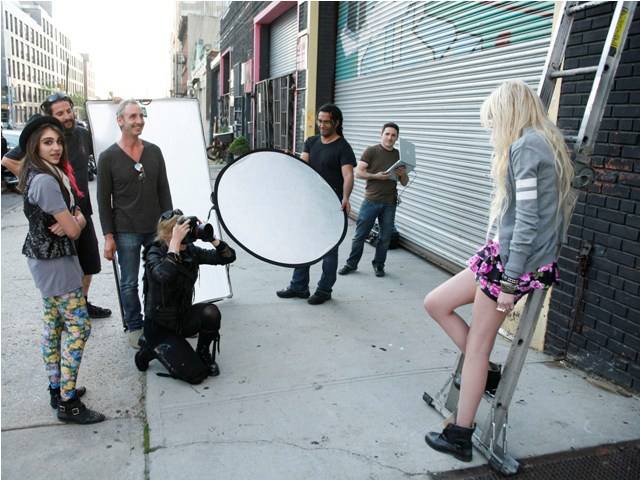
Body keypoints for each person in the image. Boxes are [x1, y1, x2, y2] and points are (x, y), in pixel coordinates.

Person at [423, 79, 575, 462]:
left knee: (477, 347)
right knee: (436, 302)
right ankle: (487, 373)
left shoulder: (526, 147)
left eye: (493, 118)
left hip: (512, 264)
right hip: (503, 255)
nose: (491, 126)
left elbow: (527, 222)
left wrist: (510, 280)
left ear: (508, 112)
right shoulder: (536, 140)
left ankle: (460, 434)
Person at [18, 114, 105, 424]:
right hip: (55, 264)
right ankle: (68, 403)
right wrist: (77, 220)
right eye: (47, 142)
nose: (55, 147)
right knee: (79, 328)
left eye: (57, 141)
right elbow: (73, 228)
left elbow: (73, 214)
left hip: (48, 261)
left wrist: (73, 217)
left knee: (54, 326)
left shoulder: (47, 172)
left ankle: (58, 389)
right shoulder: (45, 180)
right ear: (35, 146)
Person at [1, 93, 112, 319]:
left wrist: (111, 107)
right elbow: (7, 160)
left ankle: (82, 303)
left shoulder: (82, 134)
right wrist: (35, 182)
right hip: (58, 215)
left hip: (81, 208)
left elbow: (107, 140)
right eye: (60, 113)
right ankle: (66, 311)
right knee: (64, 266)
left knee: (89, 262)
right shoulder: (44, 139)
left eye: (69, 111)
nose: (67, 116)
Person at [97, 99, 173, 348]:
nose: (139, 121)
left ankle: (158, 321)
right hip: (125, 229)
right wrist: (108, 236)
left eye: (141, 116)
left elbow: (164, 191)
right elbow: (103, 201)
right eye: (133, 117)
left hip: (155, 228)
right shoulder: (108, 157)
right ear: (120, 121)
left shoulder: (154, 151)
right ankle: (134, 325)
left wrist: (170, 225)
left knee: (158, 278)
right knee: (129, 282)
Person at [134, 209, 236, 383]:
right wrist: (174, 244)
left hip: (182, 318)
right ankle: (148, 350)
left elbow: (228, 257)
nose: (187, 236)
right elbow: (165, 276)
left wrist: (211, 238)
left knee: (210, 313)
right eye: (182, 232)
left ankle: (202, 352)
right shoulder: (155, 253)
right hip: (159, 326)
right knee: (196, 375)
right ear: (170, 234)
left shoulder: (190, 251)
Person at [276, 104, 356, 305]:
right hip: (310, 203)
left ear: (336, 122)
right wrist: (289, 159)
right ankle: (299, 286)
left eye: (326, 122)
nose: (321, 125)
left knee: (329, 250)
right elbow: (303, 167)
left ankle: (324, 290)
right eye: (319, 121)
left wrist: (346, 197)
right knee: (304, 244)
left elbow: (348, 175)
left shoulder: (342, 147)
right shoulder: (311, 142)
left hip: (332, 206)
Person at [338, 122, 407, 278]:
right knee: (360, 236)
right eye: (387, 134)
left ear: (397, 138)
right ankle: (351, 264)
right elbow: (358, 173)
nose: (390, 138)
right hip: (371, 201)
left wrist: (403, 174)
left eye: (393, 135)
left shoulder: (399, 156)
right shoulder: (371, 151)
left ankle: (379, 265)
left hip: (389, 203)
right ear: (381, 134)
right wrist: (376, 176)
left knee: (385, 238)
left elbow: (404, 182)